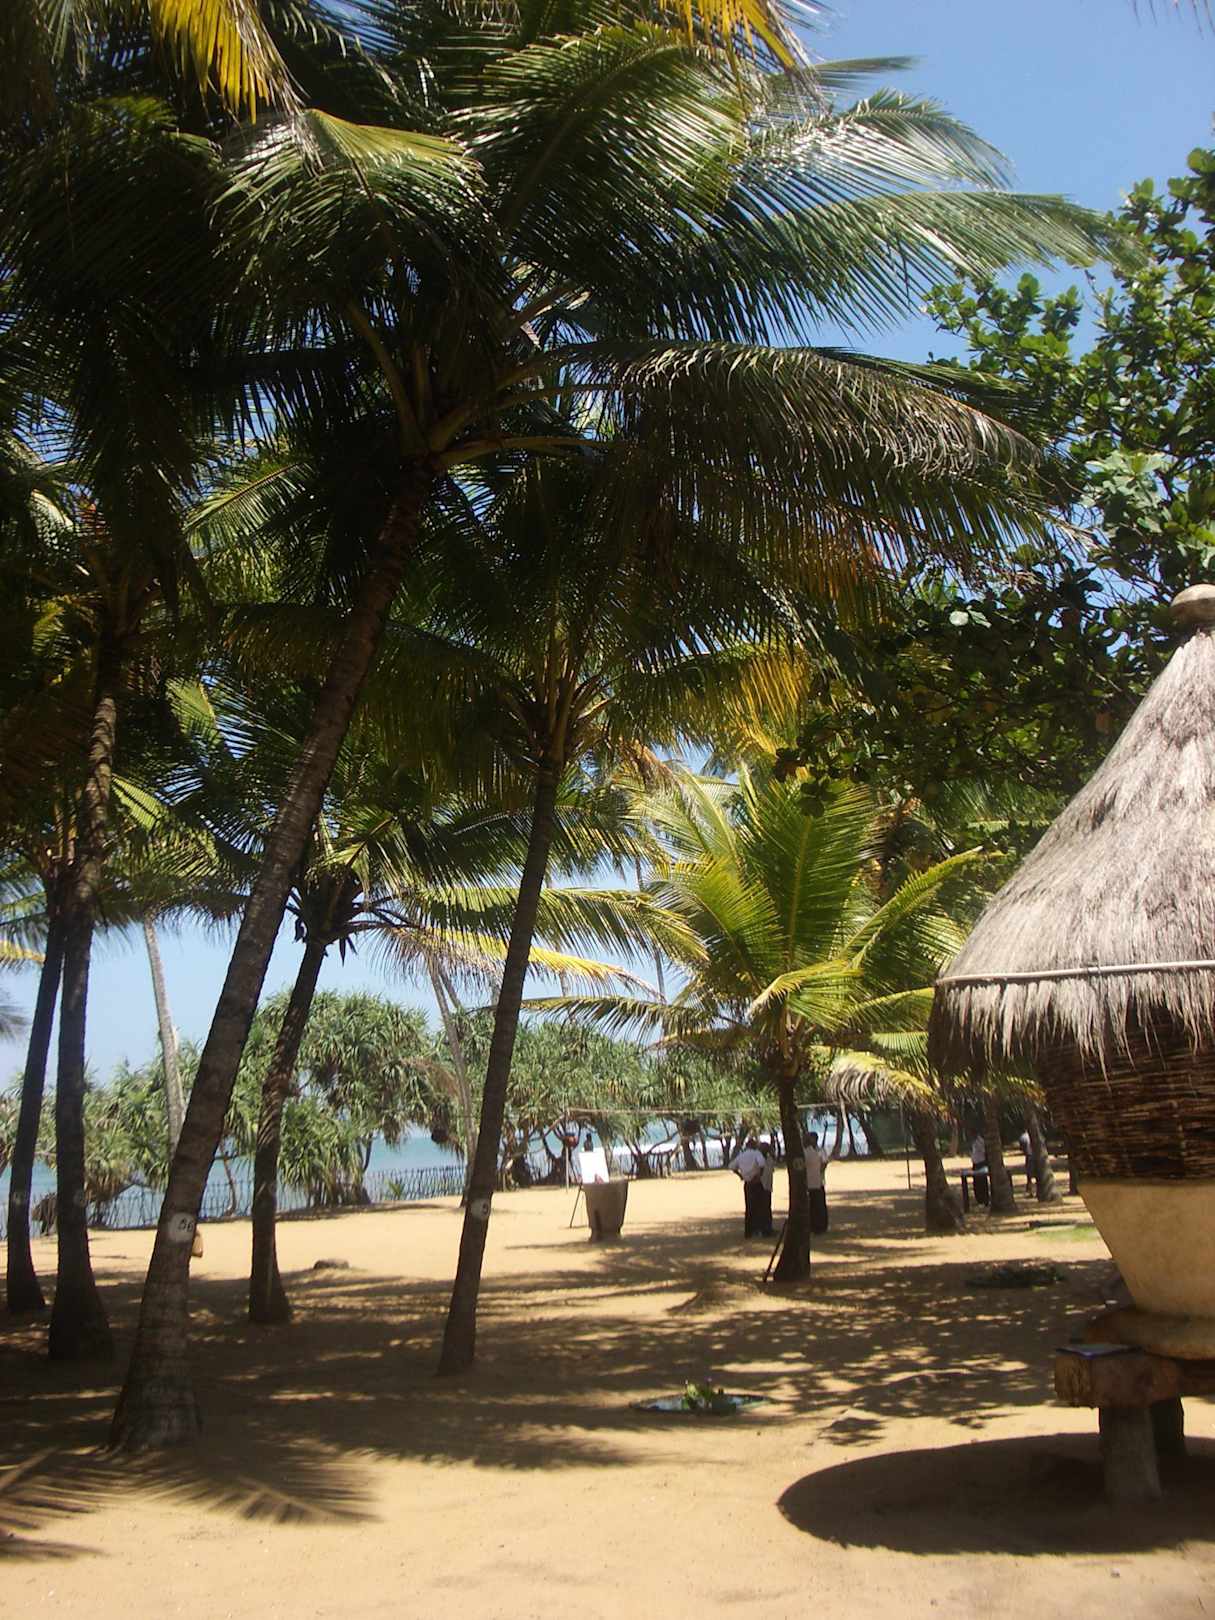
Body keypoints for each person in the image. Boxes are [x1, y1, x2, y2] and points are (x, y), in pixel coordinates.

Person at [728, 1136, 767, 1238]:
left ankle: (748, 1231)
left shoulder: (741, 1156)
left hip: (748, 1183)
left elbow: (731, 1166)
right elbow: (762, 1164)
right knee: (760, 1206)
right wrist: (759, 1175)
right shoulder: (756, 1153)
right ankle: (759, 1230)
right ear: (754, 1145)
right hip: (756, 1182)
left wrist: (740, 1175)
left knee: (749, 1207)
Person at [804, 1130, 829, 1234]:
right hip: (809, 1181)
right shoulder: (805, 1151)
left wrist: (819, 1172)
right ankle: (812, 1225)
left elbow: (824, 1163)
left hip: (819, 1182)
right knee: (811, 1205)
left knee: (820, 1205)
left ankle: (821, 1226)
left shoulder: (821, 1151)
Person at [756, 1138, 776, 1237]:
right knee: (762, 1208)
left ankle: (767, 1228)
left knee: (766, 1208)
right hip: (761, 1187)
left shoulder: (769, 1159)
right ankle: (762, 1228)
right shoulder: (761, 1159)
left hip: (766, 1186)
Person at [970, 1130, 989, 1206]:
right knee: (976, 1182)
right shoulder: (974, 1141)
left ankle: (984, 1199)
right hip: (975, 1164)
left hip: (980, 1163)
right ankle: (979, 1199)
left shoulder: (980, 1141)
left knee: (982, 1182)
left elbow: (984, 1152)